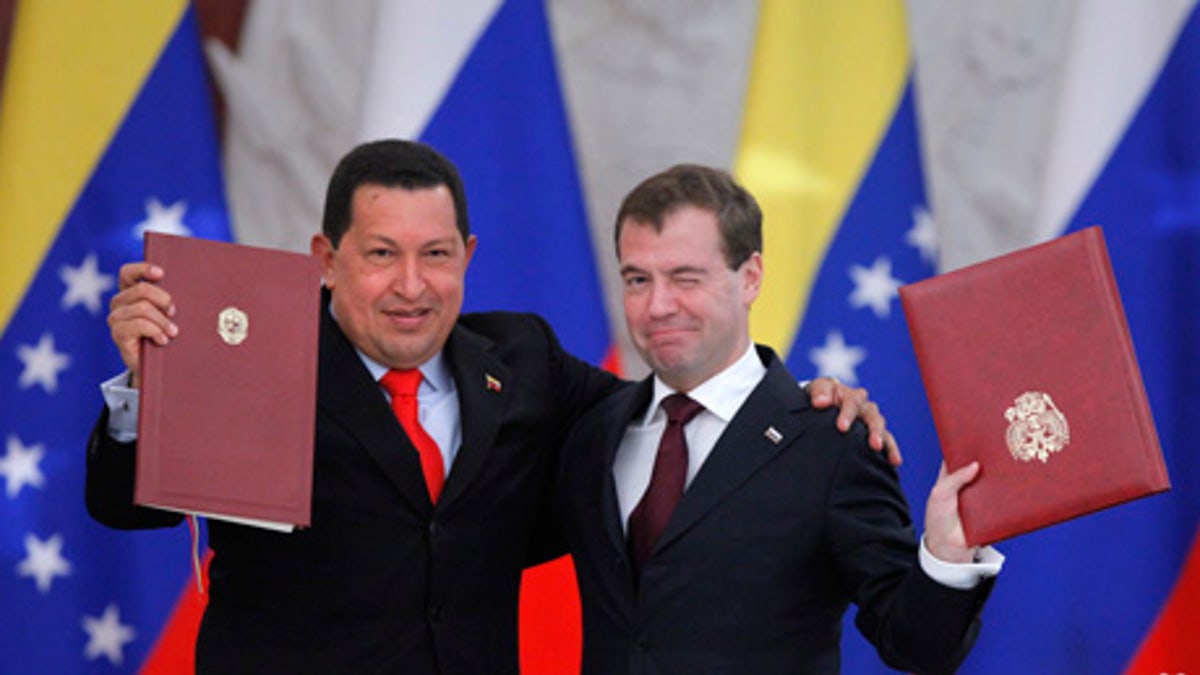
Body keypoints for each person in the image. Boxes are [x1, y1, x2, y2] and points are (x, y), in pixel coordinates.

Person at [87, 140, 896, 674]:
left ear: (466, 256)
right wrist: (147, 389)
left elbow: (678, 423)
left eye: (435, 254)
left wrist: (799, 404)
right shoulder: (259, 360)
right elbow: (126, 507)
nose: (411, 285)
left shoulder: (524, 361)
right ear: (326, 261)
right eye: (380, 255)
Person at [555, 164, 1003, 674]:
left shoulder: (829, 442)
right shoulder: (594, 435)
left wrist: (946, 553)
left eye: (685, 278)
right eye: (637, 279)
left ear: (750, 278)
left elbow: (916, 644)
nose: (657, 306)